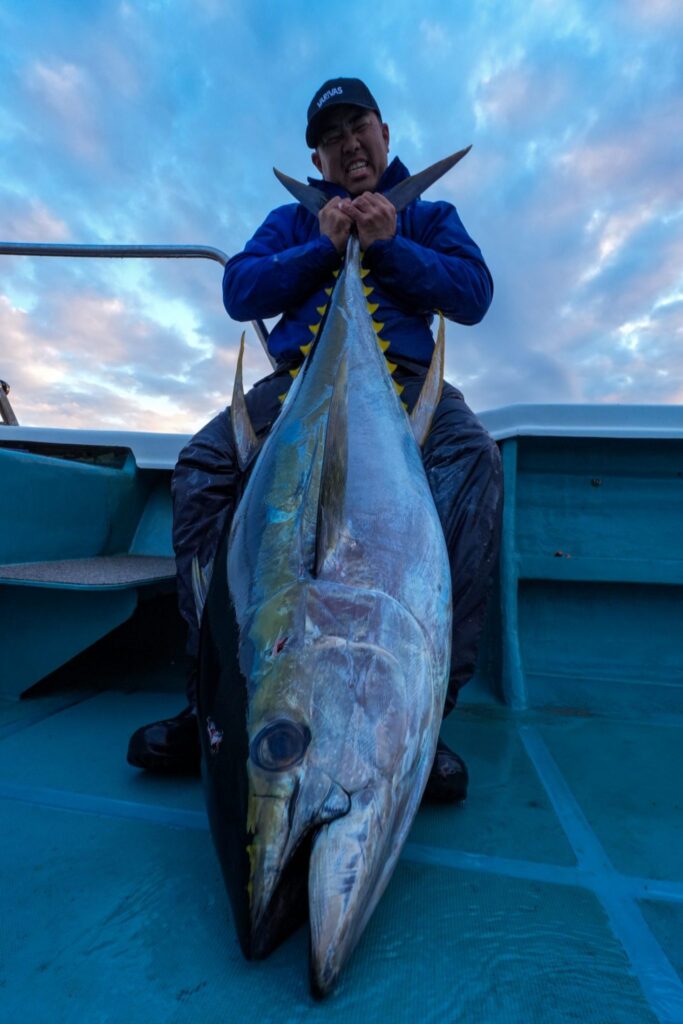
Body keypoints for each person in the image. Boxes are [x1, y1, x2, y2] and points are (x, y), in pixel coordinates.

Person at [128, 77, 503, 802]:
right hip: (296, 387)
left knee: (473, 461)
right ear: (319, 157)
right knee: (203, 467)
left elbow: (473, 292)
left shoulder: (426, 213)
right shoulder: (292, 219)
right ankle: (214, 703)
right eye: (330, 137)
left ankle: (425, 714)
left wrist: (389, 244)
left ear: (385, 132)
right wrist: (321, 247)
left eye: (356, 126)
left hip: (407, 390)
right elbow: (241, 289)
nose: (347, 144)